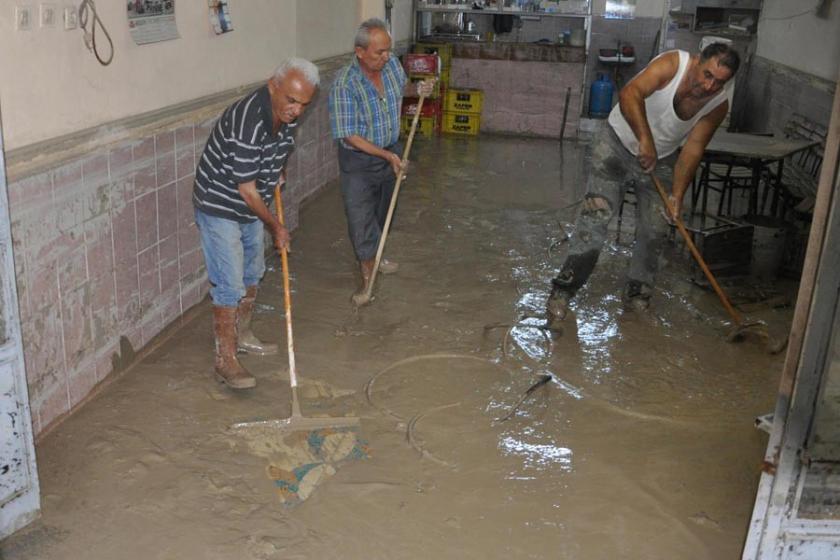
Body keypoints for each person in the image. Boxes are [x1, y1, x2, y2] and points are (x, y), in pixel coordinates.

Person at [546, 42, 740, 328]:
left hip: (661, 159)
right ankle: (562, 291)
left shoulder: (717, 105)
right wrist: (645, 140)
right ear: (698, 61)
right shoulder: (672, 65)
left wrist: (676, 195)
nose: (710, 86)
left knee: (655, 229)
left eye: (719, 82)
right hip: (614, 145)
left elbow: (692, 150)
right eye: (707, 75)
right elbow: (630, 94)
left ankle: (638, 295)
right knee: (596, 219)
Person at [193, 58, 319, 389]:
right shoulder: (248, 120)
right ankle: (226, 359)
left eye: (304, 104)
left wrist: (279, 170)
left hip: (251, 201)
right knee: (230, 281)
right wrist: (277, 226)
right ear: (272, 86)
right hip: (220, 202)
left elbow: (279, 153)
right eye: (291, 101)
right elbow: (246, 188)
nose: (296, 110)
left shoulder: (288, 118)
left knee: (253, 271)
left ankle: (243, 333)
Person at [329, 18, 436, 305]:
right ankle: (368, 281)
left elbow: (403, 89)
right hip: (359, 162)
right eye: (379, 52)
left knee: (384, 211)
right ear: (360, 52)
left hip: (392, 149)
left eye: (388, 50)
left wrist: (419, 90)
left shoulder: (391, 68)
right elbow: (349, 135)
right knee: (360, 218)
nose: (386, 56)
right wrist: (387, 155)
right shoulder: (344, 84)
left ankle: (377, 256)